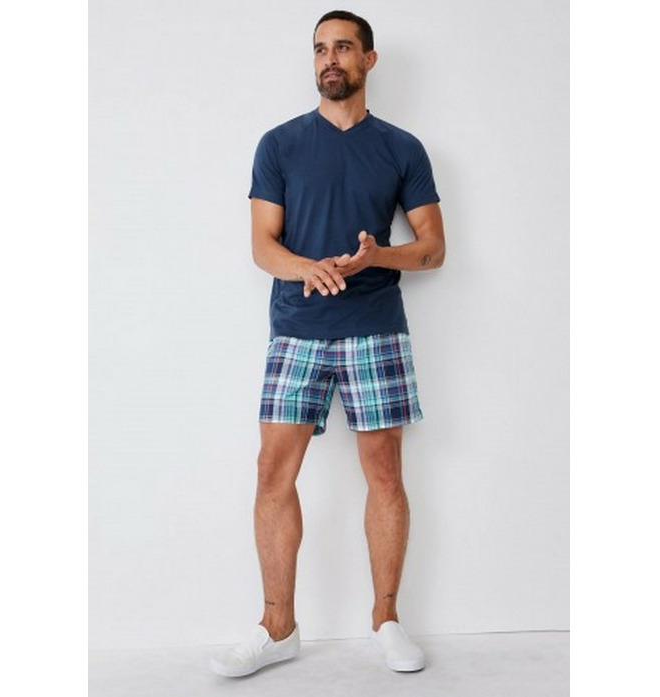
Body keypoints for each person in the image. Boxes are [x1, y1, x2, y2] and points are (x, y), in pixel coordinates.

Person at [210, 10, 445, 678]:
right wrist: (305, 267)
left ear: (368, 60)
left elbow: (432, 250)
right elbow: (263, 246)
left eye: (343, 47)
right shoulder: (279, 144)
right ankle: (277, 628)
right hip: (297, 329)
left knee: (384, 473)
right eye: (319, 49)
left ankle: (386, 619)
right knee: (271, 472)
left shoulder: (402, 148)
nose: (329, 59)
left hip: (375, 328)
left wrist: (378, 257)